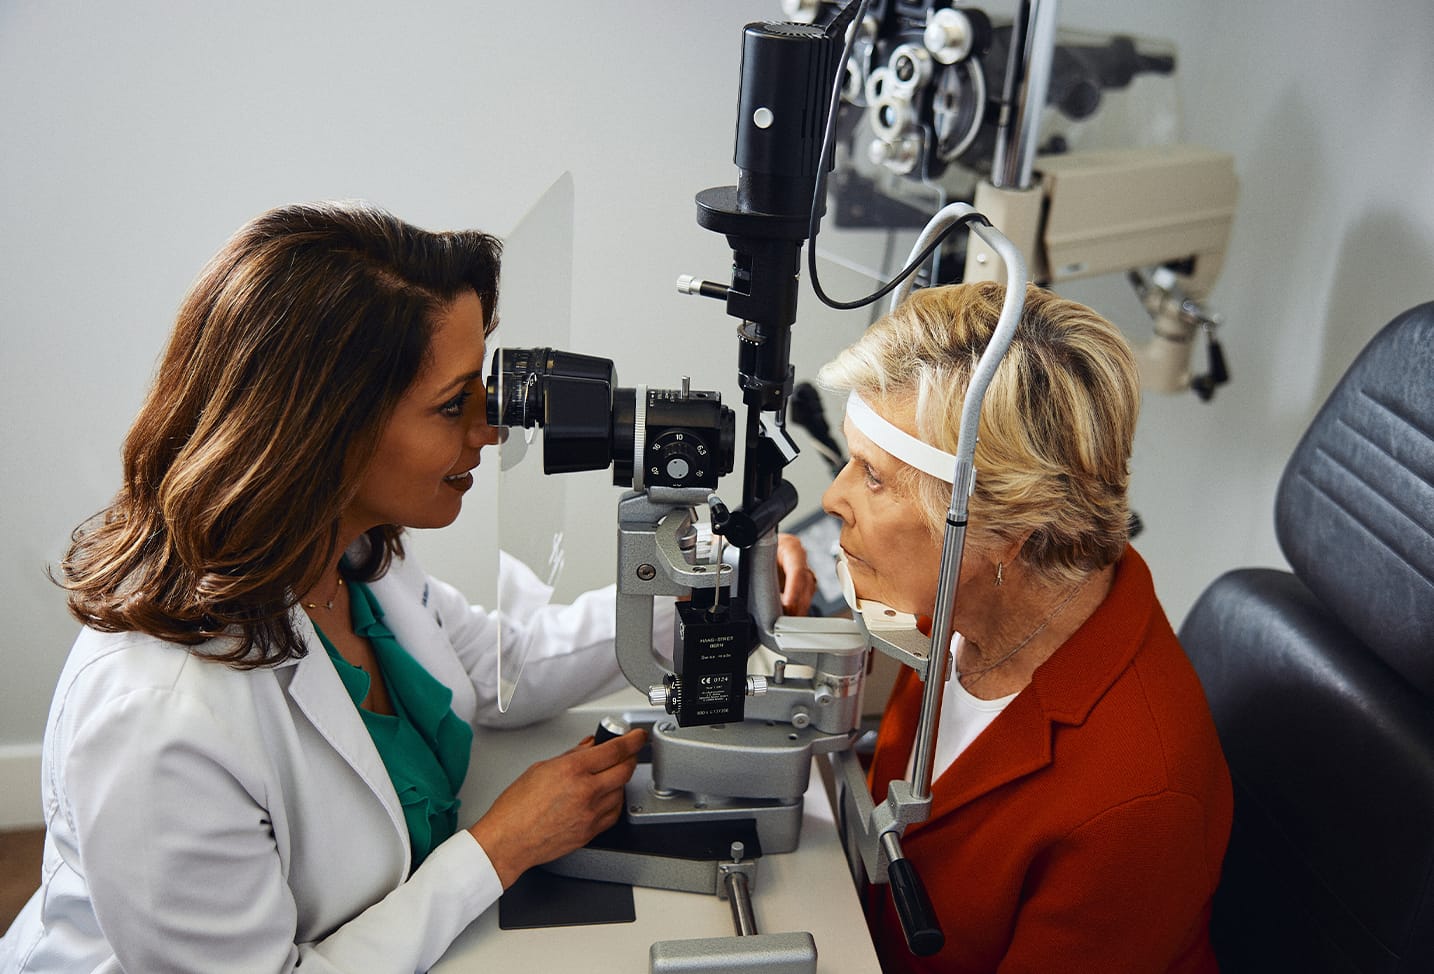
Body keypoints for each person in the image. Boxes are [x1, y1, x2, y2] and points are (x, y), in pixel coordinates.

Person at [0, 200, 814, 973]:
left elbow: (508, 665)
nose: (489, 431)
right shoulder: (160, 718)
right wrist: (499, 848)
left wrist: (701, 600)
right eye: (451, 405)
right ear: (326, 430)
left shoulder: (352, 555)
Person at [818, 282, 1233, 973]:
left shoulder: (1137, 801)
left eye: (875, 478)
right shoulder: (961, 597)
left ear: (1003, 526)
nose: (834, 498)